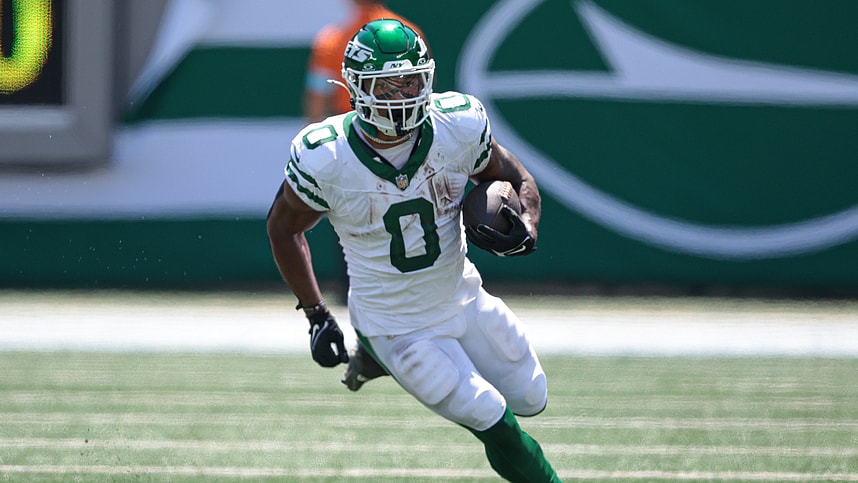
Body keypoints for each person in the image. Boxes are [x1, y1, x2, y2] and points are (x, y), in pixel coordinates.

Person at [267, 19, 561, 482]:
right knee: (492, 416)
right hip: (395, 324)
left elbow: (513, 175)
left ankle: (373, 361)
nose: (403, 95)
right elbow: (283, 229)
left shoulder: (456, 124)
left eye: (411, 81)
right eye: (388, 84)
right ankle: (376, 351)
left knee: (532, 397)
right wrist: (317, 314)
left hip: (461, 294)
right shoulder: (327, 155)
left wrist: (526, 224)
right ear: (358, 89)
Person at [303, 0, 424, 123]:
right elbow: (423, 85)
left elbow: (317, 98)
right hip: (406, 121)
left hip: (353, 126)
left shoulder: (332, 40)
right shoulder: (410, 35)